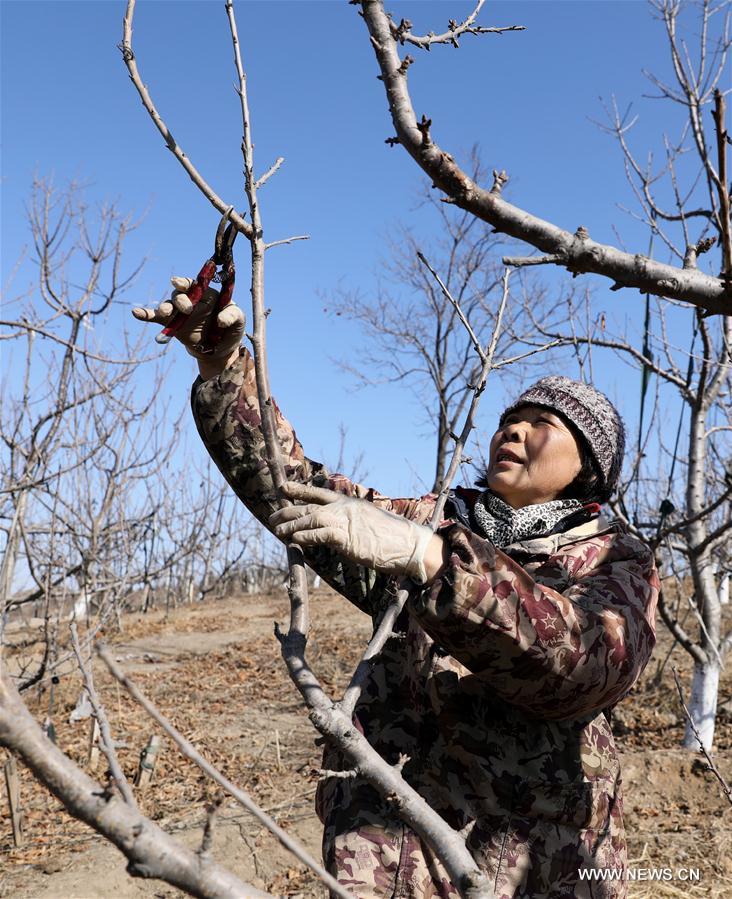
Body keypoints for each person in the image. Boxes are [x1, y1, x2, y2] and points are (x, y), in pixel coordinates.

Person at [134, 281, 659, 899]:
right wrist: (223, 369)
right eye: (508, 420)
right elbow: (298, 491)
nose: (511, 432)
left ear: (589, 467)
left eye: (541, 423)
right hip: (379, 857)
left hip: (528, 867)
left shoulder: (615, 558)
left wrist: (433, 561)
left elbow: (583, 667)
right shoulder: (433, 522)